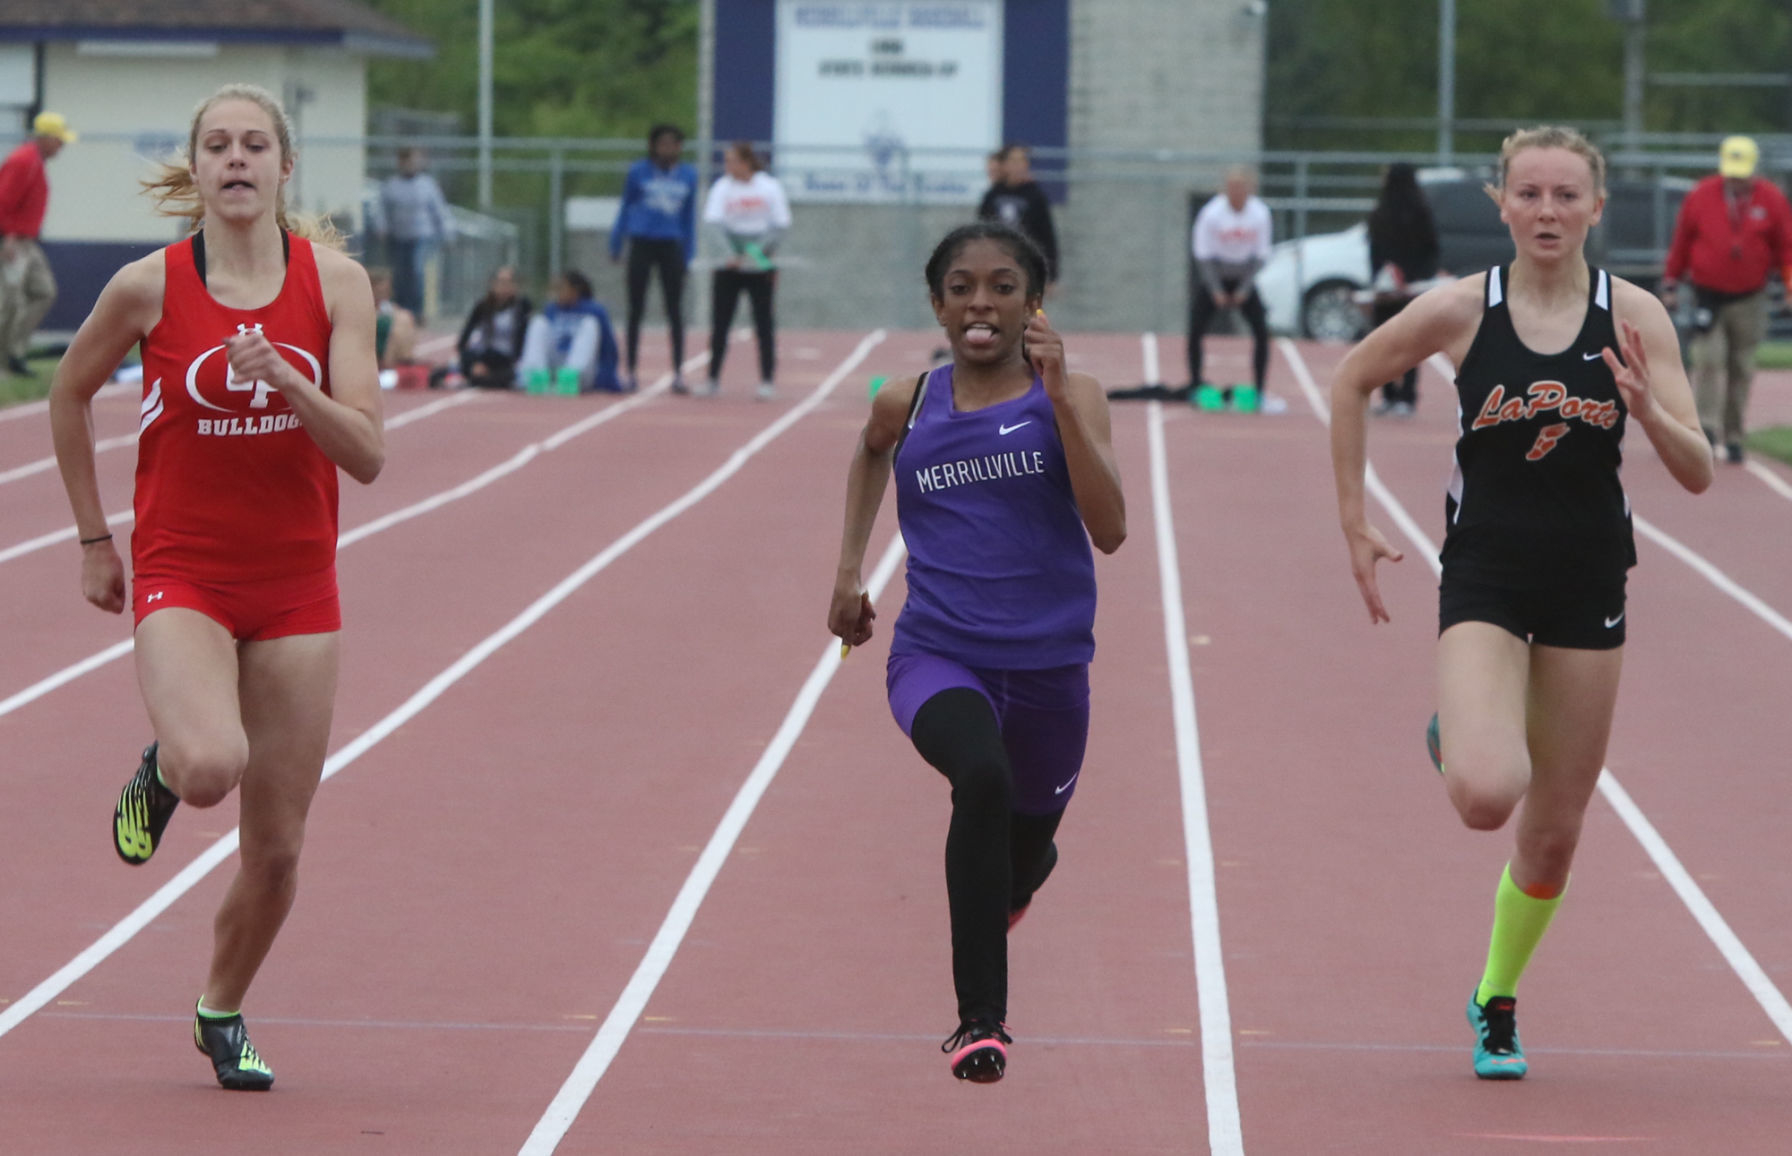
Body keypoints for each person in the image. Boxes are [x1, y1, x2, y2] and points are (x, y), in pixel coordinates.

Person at [1327, 126, 1712, 1082]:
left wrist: (1646, 405)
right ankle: (1456, 732)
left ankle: (1496, 998)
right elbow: (1350, 378)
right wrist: (1353, 523)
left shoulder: (1638, 318)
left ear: (1596, 207)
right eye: (1529, 194)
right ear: (1501, 204)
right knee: (1486, 795)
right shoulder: (1462, 310)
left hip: (1589, 582)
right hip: (1487, 577)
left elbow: (1698, 472)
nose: (1547, 211)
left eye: (1565, 195)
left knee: (1553, 834)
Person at [47, 83, 384, 1091]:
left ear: (285, 168)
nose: (235, 160)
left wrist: (288, 380)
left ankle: (220, 1007)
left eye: (254, 146)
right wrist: (94, 539)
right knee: (207, 767)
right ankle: (165, 758)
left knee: (276, 848)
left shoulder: (337, 286)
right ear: (193, 170)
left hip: (295, 587)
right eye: (217, 147)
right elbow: (66, 392)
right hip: (183, 570)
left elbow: (366, 454)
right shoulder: (147, 287)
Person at [828, 222, 1126, 1084]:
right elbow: (868, 452)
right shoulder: (907, 401)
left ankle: (1025, 876)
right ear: (937, 304)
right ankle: (979, 1024)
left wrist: (1062, 397)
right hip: (937, 656)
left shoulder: (1075, 396)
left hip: (1050, 673)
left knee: (1019, 855)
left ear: (1034, 302)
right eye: (961, 288)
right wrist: (849, 572)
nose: (980, 304)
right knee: (981, 780)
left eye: (1001, 286)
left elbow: (1110, 531)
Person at [1660, 134, 1792, 464]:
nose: (1736, 179)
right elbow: (1682, 241)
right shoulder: (1701, 195)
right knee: (1708, 360)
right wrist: (1671, 282)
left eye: (1742, 172)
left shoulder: (1772, 200)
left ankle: (1734, 435)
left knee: (1741, 366)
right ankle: (1704, 428)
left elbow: (1787, 250)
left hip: (1750, 298)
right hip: (1707, 295)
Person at [610, 124, 697, 392]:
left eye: (674, 144)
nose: (668, 149)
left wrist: (688, 253)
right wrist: (616, 241)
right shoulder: (638, 171)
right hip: (642, 242)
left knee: (674, 310)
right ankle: (632, 372)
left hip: (671, 245)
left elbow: (689, 217)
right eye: (663, 144)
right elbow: (625, 206)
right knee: (635, 309)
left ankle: (678, 373)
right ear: (653, 146)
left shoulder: (688, 175)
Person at [702, 141, 791, 400]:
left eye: (732, 160)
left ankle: (766, 380)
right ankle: (712, 378)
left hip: (759, 261)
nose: (727, 166)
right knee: (720, 323)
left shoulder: (769, 186)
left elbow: (780, 224)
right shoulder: (722, 187)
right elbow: (713, 223)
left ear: (746, 162)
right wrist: (729, 254)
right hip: (729, 262)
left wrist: (755, 253)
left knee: (764, 323)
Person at [1188, 167, 1278, 412]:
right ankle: (1195, 385)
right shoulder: (1211, 214)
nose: (1236, 193)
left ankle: (1259, 390)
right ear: (1225, 190)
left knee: (1261, 331)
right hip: (1215, 273)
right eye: (1232, 188)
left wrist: (1245, 288)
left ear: (1249, 190)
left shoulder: (1260, 214)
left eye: (1241, 188)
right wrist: (1215, 288)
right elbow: (1203, 256)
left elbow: (1261, 256)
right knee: (1195, 329)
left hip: (1244, 275)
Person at [0, 110, 74, 377]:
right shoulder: (23, 161)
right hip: (11, 240)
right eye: (59, 139)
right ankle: (8, 360)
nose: (62, 145)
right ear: (45, 137)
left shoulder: (35, 161)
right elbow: (3, 200)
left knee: (44, 291)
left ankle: (14, 351)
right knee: (10, 301)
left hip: (26, 241)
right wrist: (7, 237)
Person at [1366, 162, 1440, 417]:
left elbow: (1374, 252)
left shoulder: (1382, 212)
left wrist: (1379, 278)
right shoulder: (1421, 211)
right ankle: (1406, 397)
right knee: (1411, 343)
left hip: (1388, 288)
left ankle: (1390, 395)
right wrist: (1417, 277)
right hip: (1410, 288)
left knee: (1385, 342)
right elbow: (1432, 249)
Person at [377, 146, 453, 316]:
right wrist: (382, 228)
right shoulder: (391, 185)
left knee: (416, 271)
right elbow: (382, 210)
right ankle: (400, 309)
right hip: (398, 236)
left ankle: (416, 311)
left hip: (421, 236)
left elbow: (439, 211)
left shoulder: (427, 185)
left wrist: (447, 232)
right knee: (399, 274)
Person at [517, 270, 620, 392]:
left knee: (589, 324)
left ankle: (570, 376)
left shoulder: (595, 311)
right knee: (538, 322)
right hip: (554, 365)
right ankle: (535, 375)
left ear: (574, 290)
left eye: (560, 288)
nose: (556, 294)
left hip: (581, 371)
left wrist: (607, 377)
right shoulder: (551, 309)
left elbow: (608, 349)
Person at [977, 145, 1059, 288]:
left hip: (1026, 264)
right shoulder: (993, 195)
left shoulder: (1035, 196)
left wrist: (1050, 275)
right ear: (1004, 165)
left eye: (1022, 161)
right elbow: (981, 232)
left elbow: (1047, 236)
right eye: (1013, 161)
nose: (1018, 166)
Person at [444, 264, 531, 389]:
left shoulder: (522, 307)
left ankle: (482, 378)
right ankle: (475, 374)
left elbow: (523, 340)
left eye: (508, 283)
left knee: (508, 374)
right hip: (483, 356)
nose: (504, 287)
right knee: (446, 370)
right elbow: (464, 338)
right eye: (500, 282)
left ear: (515, 286)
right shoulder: (483, 306)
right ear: (493, 284)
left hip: (506, 358)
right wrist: (474, 362)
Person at [367, 266, 418, 374]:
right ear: (371, 287)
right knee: (399, 325)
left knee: (404, 320)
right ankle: (389, 366)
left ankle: (401, 365)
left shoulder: (391, 308)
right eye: (380, 288)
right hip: (371, 351)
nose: (384, 291)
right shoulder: (360, 308)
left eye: (386, 288)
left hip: (389, 351)